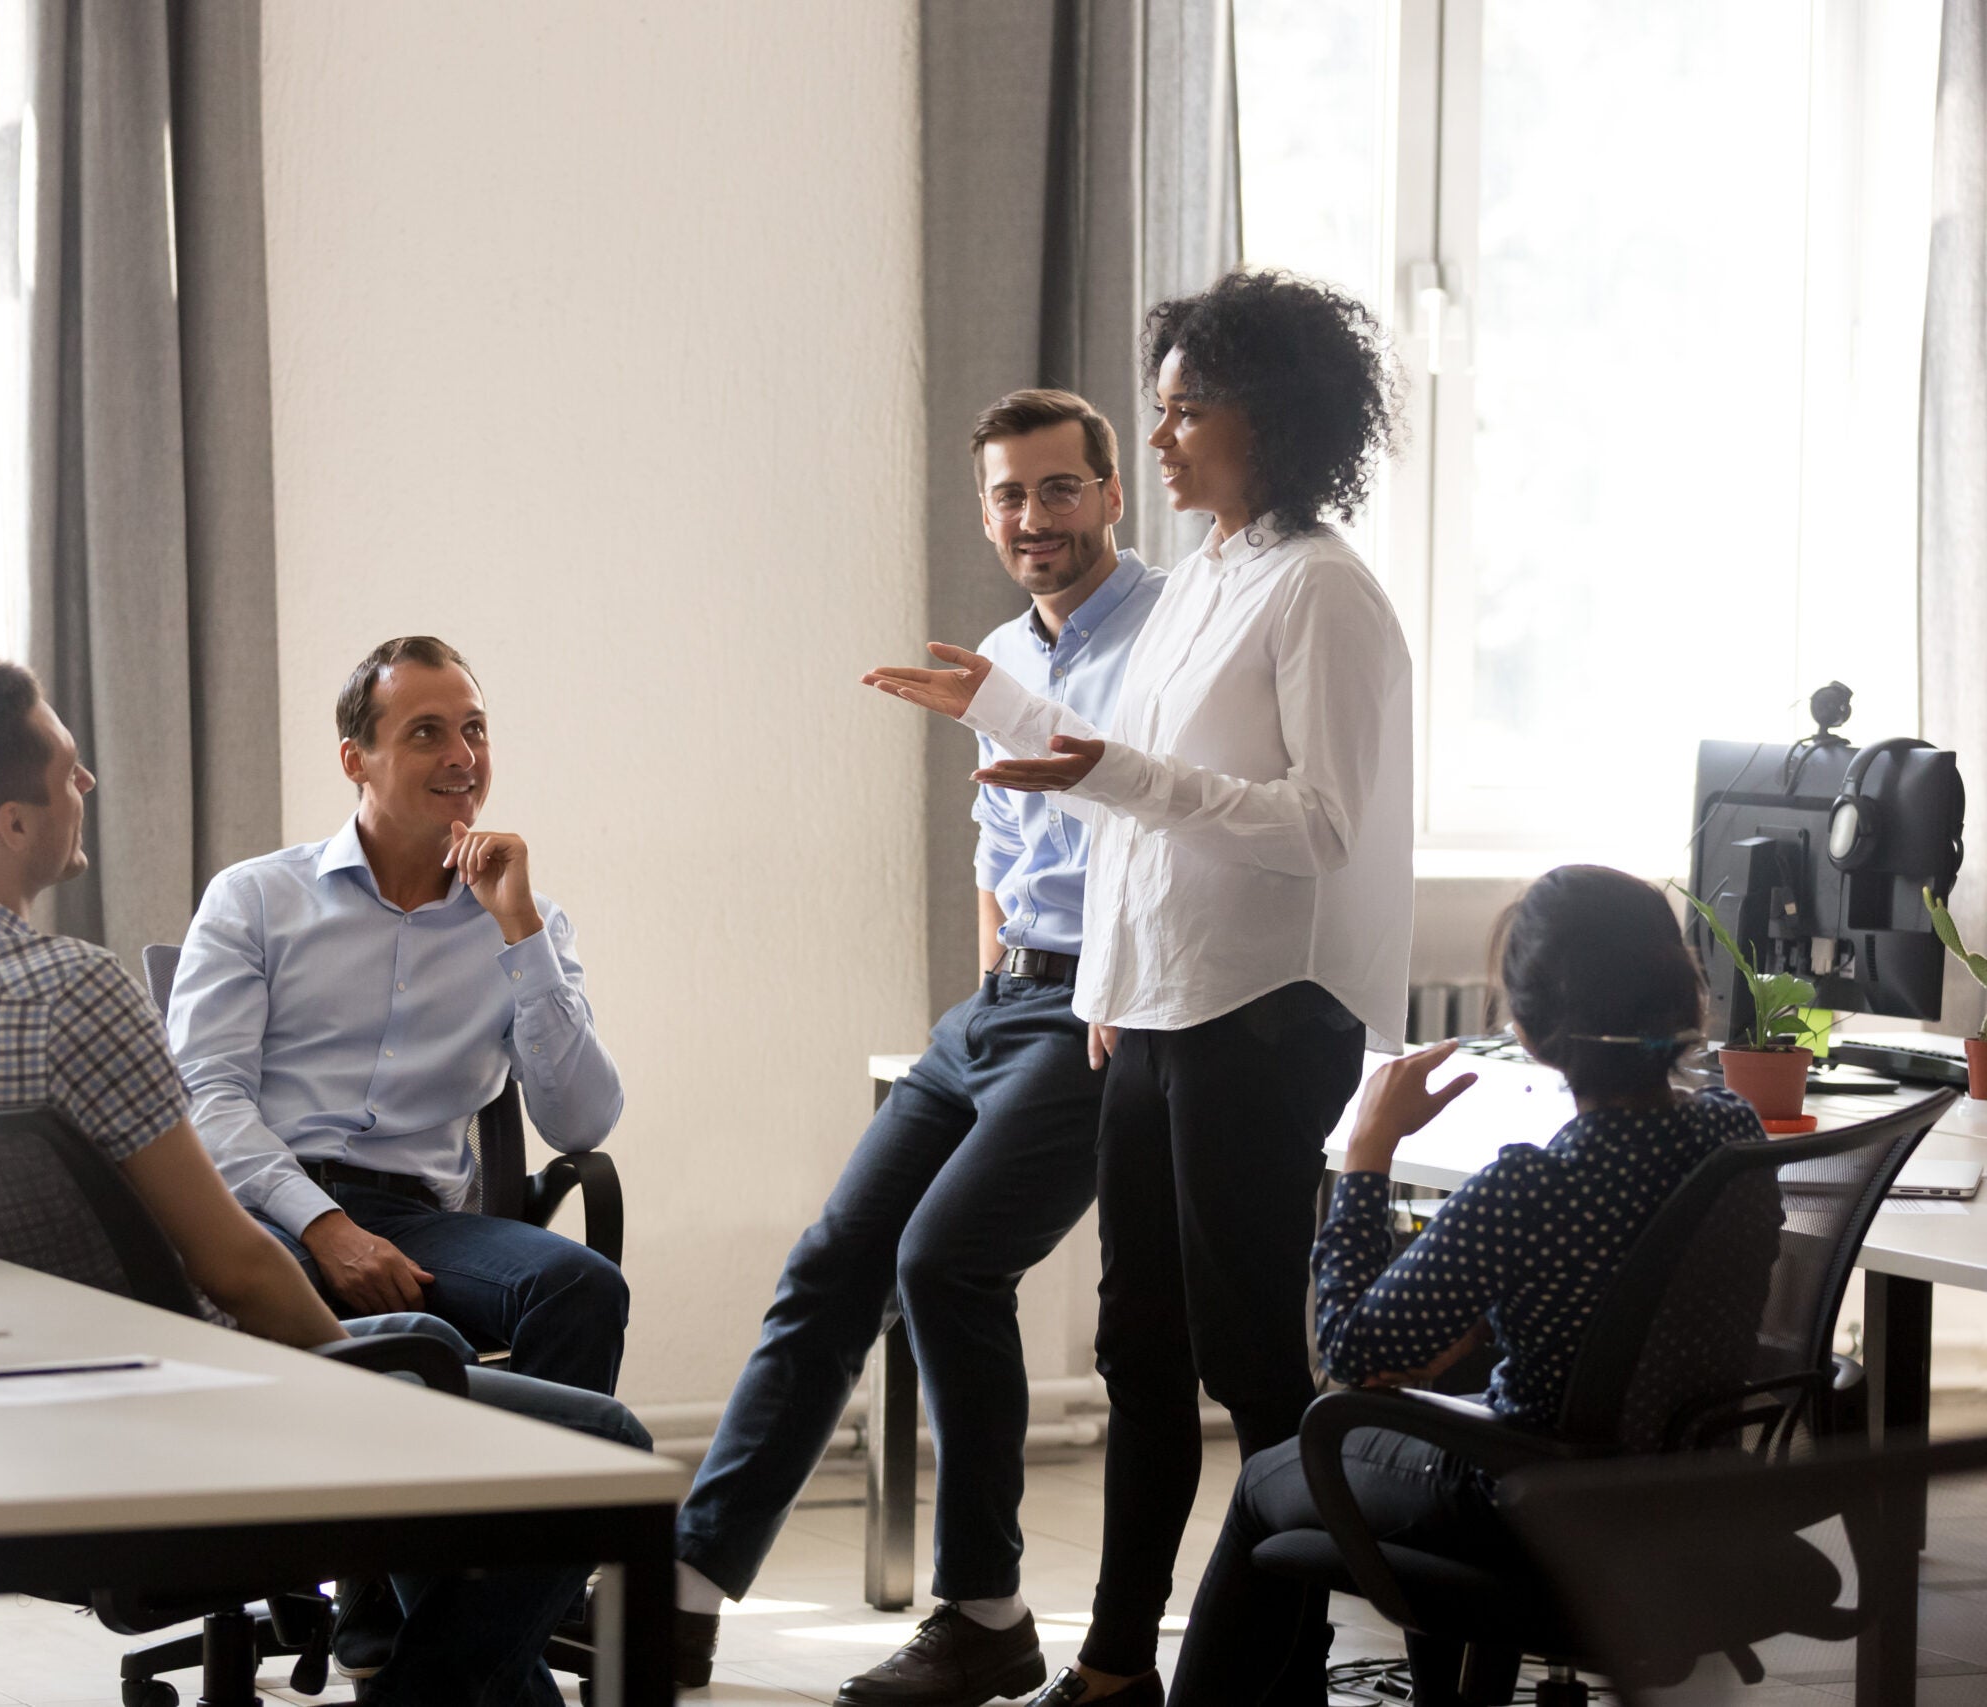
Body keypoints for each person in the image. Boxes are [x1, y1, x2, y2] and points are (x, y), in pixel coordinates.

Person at [0, 658, 649, 1707]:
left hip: (12, 1430)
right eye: (69, 769)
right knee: (601, 1446)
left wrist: (520, 934)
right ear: (13, 823)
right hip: (189, 1401)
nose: (88, 784)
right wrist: (374, 1382)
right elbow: (236, 1260)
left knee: (542, 1319)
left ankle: (452, 1657)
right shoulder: (79, 984)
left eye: (475, 727)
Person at [863, 270, 1415, 1706]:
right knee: (1138, 1351)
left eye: (1184, 412)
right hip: (1155, 1007)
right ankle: (1117, 1662)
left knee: (1248, 1359)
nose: (1158, 441)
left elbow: (1319, 822)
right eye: (1157, 410)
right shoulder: (1213, 575)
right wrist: (1001, 715)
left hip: (1265, 1011)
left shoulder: (1322, 589)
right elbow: (1116, 785)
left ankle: (1283, 1662)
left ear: (1269, 416)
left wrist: (1106, 772)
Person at [671, 390, 1165, 1702]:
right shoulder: (1000, 649)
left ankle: (984, 1611)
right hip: (1000, 1004)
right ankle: (686, 1588)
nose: (1032, 516)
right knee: (833, 1261)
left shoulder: (1172, 639)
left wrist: (1085, 987)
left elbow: (1162, 826)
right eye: (1009, 494)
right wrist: (989, 975)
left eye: (1059, 488)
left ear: (1112, 493)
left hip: (1103, 1009)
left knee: (946, 1259)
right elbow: (998, 852)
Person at [1167, 865, 1763, 1704]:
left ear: (1528, 1026)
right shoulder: (1734, 1129)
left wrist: (1367, 1150)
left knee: (1269, 1476)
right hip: (1684, 1498)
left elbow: (1350, 1352)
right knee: (1443, 1381)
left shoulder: (1531, 1189)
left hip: (1527, 1505)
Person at [165, 636, 627, 1395]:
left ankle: (529, 1514)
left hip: (419, 1224)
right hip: (264, 1212)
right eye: (427, 732)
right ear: (356, 759)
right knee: (426, 1346)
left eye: (474, 728)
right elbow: (208, 1102)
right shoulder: (254, 898)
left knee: (583, 1288)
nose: (462, 755)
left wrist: (523, 937)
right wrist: (324, 1224)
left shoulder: (526, 920)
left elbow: (581, 1125)